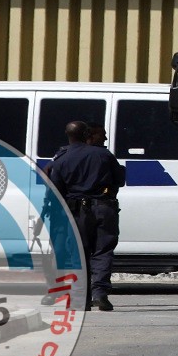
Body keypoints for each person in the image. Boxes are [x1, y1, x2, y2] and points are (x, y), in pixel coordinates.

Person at [46, 120, 124, 312]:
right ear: (86, 133)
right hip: (104, 208)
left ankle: (81, 298)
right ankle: (100, 293)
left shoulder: (61, 159)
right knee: (103, 251)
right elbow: (120, 180)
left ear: (68, 135)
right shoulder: (104, 154)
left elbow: (56, 190)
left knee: (78, 255)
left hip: (76, 211)